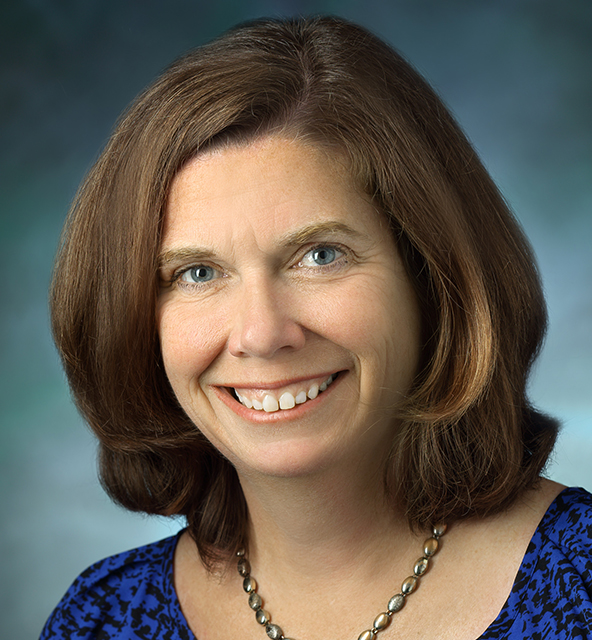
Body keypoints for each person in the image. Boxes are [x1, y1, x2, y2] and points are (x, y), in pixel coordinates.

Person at [40, 15, 591, 640]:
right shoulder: (101, 620)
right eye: (197, 273)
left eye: (319, 256)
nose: (261, 333)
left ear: (432, 279)